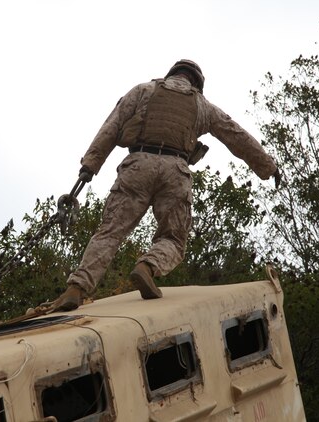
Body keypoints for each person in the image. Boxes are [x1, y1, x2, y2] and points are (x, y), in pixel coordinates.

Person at [53, 59, 281, 311]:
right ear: (197, 83)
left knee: (110, 231)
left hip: (137, 166)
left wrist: (89, 167)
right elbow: (236, 136)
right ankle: (148, 266)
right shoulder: (202, 105)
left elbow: (111, 127)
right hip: (176, 171)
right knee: (173, 238)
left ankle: (76, 289)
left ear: (172, 74)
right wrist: (268, 167)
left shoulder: (143, 90)